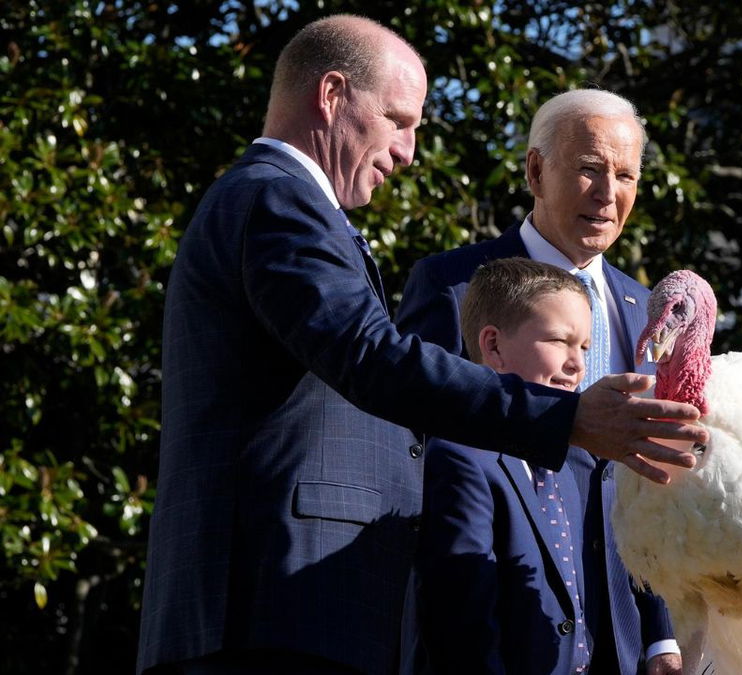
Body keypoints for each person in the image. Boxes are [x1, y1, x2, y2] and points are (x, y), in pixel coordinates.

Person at [136, 16, 705, 675]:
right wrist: (568, 415)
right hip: (272, 611)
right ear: (331, 94)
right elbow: (374, 357)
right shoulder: (275, 200)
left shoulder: (280, 203)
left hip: (292, 613)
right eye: (397, 120)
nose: (407, 151)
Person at [393, 89, 683, 675]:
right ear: (535, 170)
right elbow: (417, 455)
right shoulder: (453, 287)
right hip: (499, 628)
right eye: (588, 170)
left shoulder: (647, 309)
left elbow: (651, 483)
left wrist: (661, 637)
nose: (608, 194)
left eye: (625, 175)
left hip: (625, 638)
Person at [418, 258, 599, 674]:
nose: (577, 364)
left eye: (584, 347)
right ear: (494, 346)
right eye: (558, 341)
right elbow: (463, 623)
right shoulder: (460, 458)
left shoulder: (570, 465)